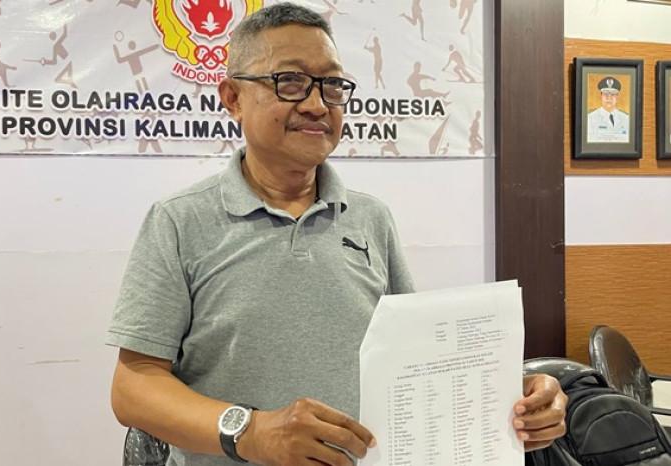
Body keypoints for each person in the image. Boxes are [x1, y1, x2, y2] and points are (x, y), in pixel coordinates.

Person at [107, 4, 567, 466]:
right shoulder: (179, 221)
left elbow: (414, 360)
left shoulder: (371, 218)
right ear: (233, 97)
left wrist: (509, 400)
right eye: (290, 81)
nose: (316, 104)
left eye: (332, 85)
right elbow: (134, 387)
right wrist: (251, 431)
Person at [587, 76, 630, 143]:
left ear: (617, 97)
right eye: (606, 94)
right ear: (601, 96)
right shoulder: (590, 118)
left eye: (613, 94)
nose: (609, 98)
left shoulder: (626, 119)